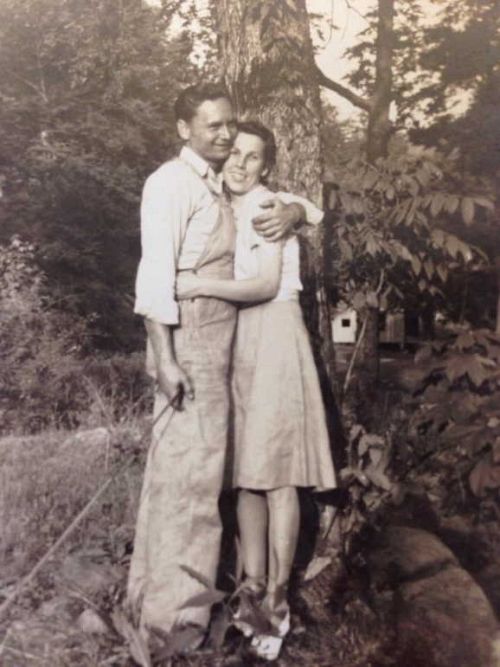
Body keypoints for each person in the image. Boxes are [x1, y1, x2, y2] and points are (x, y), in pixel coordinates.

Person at [127, 84, 307, 647]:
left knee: (193, 481)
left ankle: (151, 608)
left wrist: (298, 210)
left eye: (231, 124)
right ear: (184, 129)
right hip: (190, 345)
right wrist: (165, 358)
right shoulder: (171, 183)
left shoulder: (216, 183)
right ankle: (174, 628)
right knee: (191, 488)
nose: (226, 136)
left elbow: (290, 210)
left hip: (218, 343)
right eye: (214, 126)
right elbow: (155, 278)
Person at [176, 121, 337, 660]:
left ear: (267, 166)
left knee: (279, 474)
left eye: (254, 157)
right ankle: (251, 588)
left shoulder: (269, 205)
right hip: (240, 337)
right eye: (235, 154)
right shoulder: (222, 201)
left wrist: (197, 285)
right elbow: (311, 211)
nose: (241, 164)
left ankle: (278, 596)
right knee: (247, 474)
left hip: (273, 331)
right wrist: (304, 209)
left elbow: (266, 285)